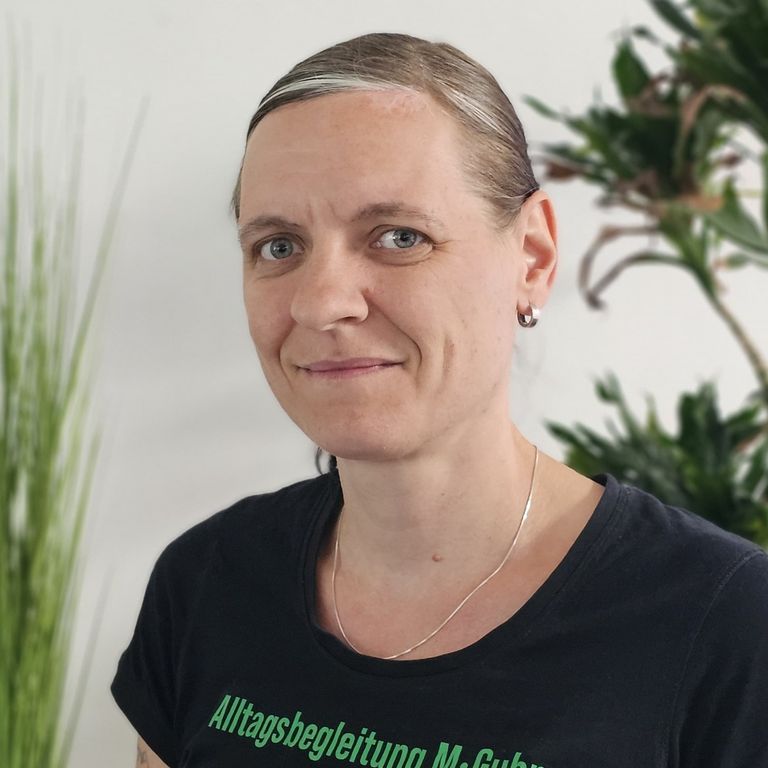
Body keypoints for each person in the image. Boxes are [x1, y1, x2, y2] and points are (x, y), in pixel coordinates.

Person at [111, 32, 768, 768]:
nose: (321, 303)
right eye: (279, 246)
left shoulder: (724, 622)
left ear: (532, 257)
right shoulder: (207, 582)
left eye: (399, 236)